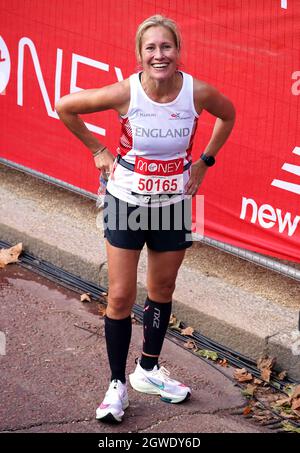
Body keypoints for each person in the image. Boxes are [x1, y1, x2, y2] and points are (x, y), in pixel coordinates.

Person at [55, 14, 235, 424]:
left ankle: (148, 370)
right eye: (151, 48)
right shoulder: (126, 92)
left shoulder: (197, 92)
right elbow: (65, 107)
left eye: (166, 47)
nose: (159, 55)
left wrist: (204, 162)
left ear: (178, 51)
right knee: (120, 296)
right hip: (125, 202)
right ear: (139, 55)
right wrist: (97, 149)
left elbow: (229, 115)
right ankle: (117, 384)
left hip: (175, 205)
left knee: (163, 288)